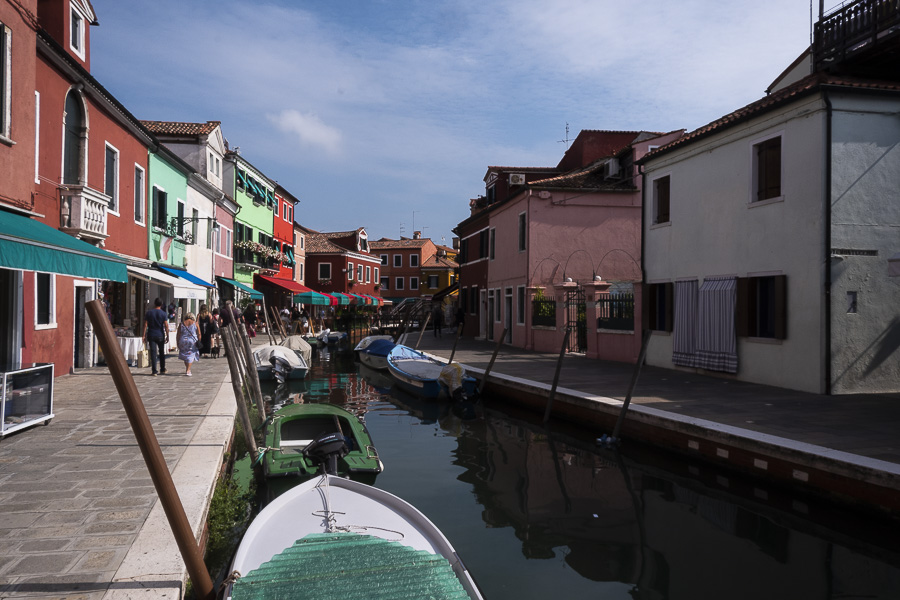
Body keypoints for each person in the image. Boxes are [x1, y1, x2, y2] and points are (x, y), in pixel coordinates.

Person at [142, 298, 169, 376]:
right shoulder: (163, 313)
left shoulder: (149, 313)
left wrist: (143, 335)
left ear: (154, 303)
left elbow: (145, 324)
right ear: (161, 304)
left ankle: (154, 371)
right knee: (161, 352)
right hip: (160, 334)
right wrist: (167, 335)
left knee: (153, 353)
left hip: (151, 334)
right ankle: (162, 369)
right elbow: (166, 325)